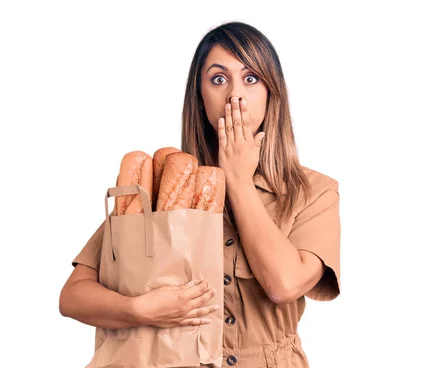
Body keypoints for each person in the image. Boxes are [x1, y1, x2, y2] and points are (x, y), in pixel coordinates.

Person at [59, 21, 341, 367]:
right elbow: (72, 296)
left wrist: (236, 179)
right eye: (218, 79)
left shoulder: (313, 192)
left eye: (251, 78)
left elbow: (283, 285)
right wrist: (137, 309)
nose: (235, 94)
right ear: (200, 95)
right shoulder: (165, 185)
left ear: (272, 93)